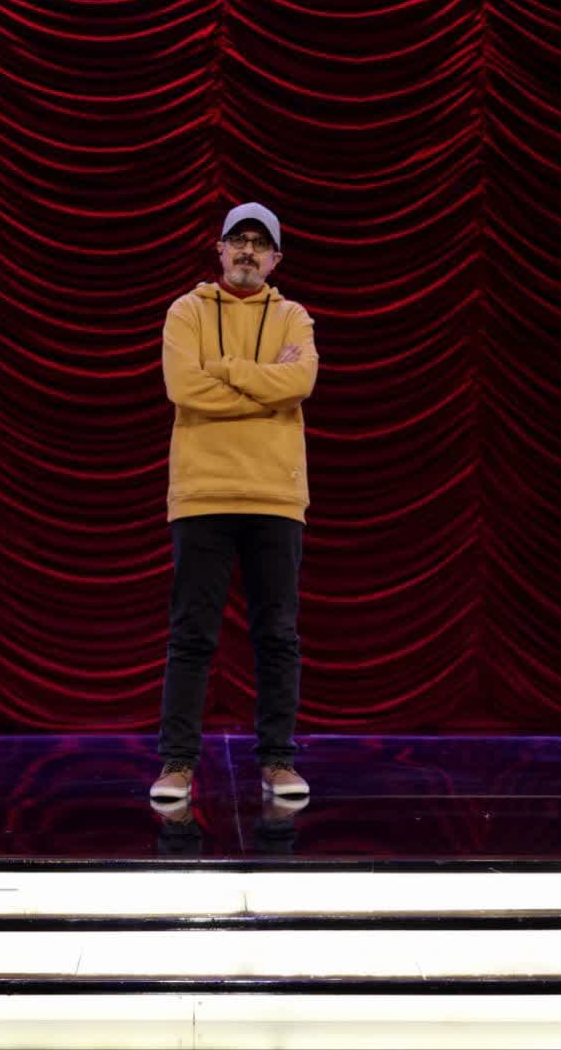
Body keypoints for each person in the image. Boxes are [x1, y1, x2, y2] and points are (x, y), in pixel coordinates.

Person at [151, 202, 319, 803]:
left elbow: (299, 383)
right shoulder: (186, 311)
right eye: (238, 240)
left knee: (277, 636)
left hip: (276, 495)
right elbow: (183, 387)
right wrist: (263, 384)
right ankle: (177, 764)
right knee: (192, 635)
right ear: (220, 249)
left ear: (275, 258)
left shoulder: (293, 316)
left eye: (259, 243)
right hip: (203, 493)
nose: (248, 250)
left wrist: (221, 370)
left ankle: (277, 761)